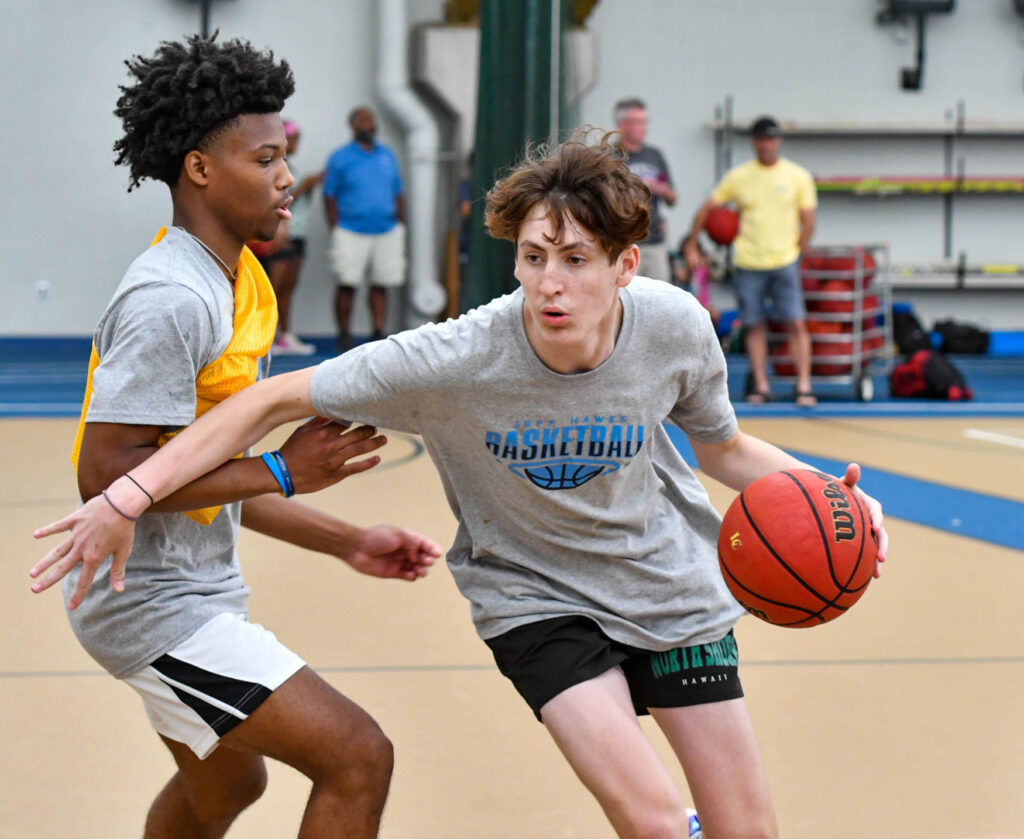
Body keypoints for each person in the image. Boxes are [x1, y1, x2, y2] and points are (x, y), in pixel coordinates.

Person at [34, 131, 888, 839]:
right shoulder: (454, 358)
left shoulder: (675, 327)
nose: (550, 282)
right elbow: (268, 400)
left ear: (625, 264)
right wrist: (125, 497)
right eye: (533, 257)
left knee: (748, 831)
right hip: (539, 600)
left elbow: (724, 449)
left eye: (576, 259)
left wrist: (839, 496)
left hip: (670, 585)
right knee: (659, 824)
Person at [29, 35, 440, 839]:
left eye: (285, 156)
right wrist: (280, 468)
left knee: (226, 786)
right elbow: (108, 477)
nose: (287, 177)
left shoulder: (239, 279)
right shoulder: (171, 298)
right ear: (200, 169)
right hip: (148, 603)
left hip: (194, 586)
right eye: (266, 158)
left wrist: (348, 540)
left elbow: (201, 475)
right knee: (358, 755)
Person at [684, 116, 818, 406]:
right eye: (760, 139)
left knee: (796, 322)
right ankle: (761, 385)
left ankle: (804, 386)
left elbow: (808, 220)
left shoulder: (797, 176)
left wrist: (798, 251)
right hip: (748, 262)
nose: (765, 145)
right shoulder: (740, 176)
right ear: (754, 142)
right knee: (753, 324)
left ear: (778, 140)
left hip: (784, 260)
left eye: (770, 139)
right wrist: (693, 243)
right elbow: (708, 208)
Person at [323, 107, 406, 351]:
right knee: (347, 283)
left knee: (381, 283)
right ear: (353, 126)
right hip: (350, 229)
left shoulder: (387, 155)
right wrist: (335, 226)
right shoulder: (340, 157)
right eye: (363, 120)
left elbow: (398, 191)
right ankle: (344, 333)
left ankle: (378, 331)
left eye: (371, 119)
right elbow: (329, 195)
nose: (369, 124)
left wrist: (400, 221)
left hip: (387, 229)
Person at [261, 119, 323, 355]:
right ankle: (264, 339)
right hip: (281, 236)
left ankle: (285, 336)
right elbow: (278, 201)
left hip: (297, 235)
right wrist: (304, 186)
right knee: (272, 290)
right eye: (293, 139)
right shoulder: (271, 168)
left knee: (287, 289)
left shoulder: (290, 169)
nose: (297, 144)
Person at [614, 97, 677, 282]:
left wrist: (662, 189)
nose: (643, 127)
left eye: (644, 121)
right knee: (623, 290)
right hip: (623, 240)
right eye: (637, 122)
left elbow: (673, 198)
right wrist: (637, 187)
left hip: (654, 239)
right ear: (622, 125)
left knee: (659, 293)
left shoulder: (654, 155)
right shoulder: (610, 156)